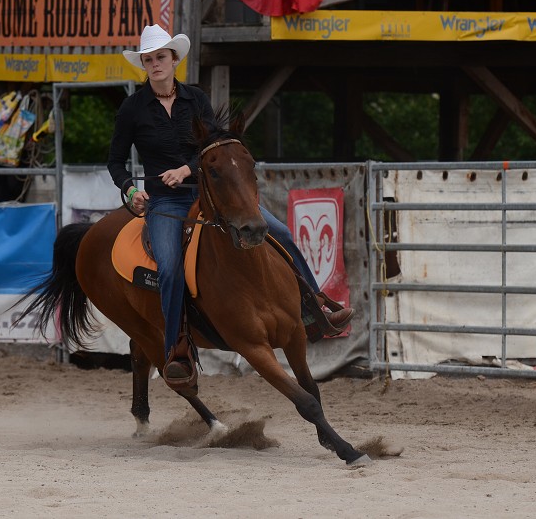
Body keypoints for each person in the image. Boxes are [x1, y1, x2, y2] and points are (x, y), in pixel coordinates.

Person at [107, 25, 353, 391]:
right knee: (171, 268)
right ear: (143, 64)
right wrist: (129, 190)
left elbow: (216, 146)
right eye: (148, 59)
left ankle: (317, 307)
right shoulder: (133, 108)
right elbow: (115, 161)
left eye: (161, 57)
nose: (155, 64)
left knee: (280, 232)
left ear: (174, 60)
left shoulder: (196, 99)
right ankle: (176, 348)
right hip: (167, 203)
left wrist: (188, 168)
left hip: (212, 194)